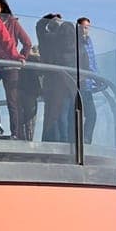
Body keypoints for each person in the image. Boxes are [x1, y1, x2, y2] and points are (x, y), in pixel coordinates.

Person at [0, 0, 32, 138]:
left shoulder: (13, 23)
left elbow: (27, 42)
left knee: (12, 101)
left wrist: (20, 59)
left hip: (10, 67)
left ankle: (16, 133)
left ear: (2, 6)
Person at [35, 13, 76, 143]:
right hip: (65, 83)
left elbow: (39, 26)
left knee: (53, 114)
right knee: (62, 114)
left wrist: (49, 17)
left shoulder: (46, 39)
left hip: (52, 82)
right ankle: (63, 142)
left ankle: (52, 141)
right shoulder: (67, 43)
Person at [77, 17, 99, 144]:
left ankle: (86, 140)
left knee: (91, 115)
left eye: (88, 28)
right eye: (85, 27)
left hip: (89, 83)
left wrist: (97, 76)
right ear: (78, 27)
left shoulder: (88, 40)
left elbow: (92, 61)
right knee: (89, 114)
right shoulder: (76, 41)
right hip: (81, 82)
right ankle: (83, 140)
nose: (87, 30)